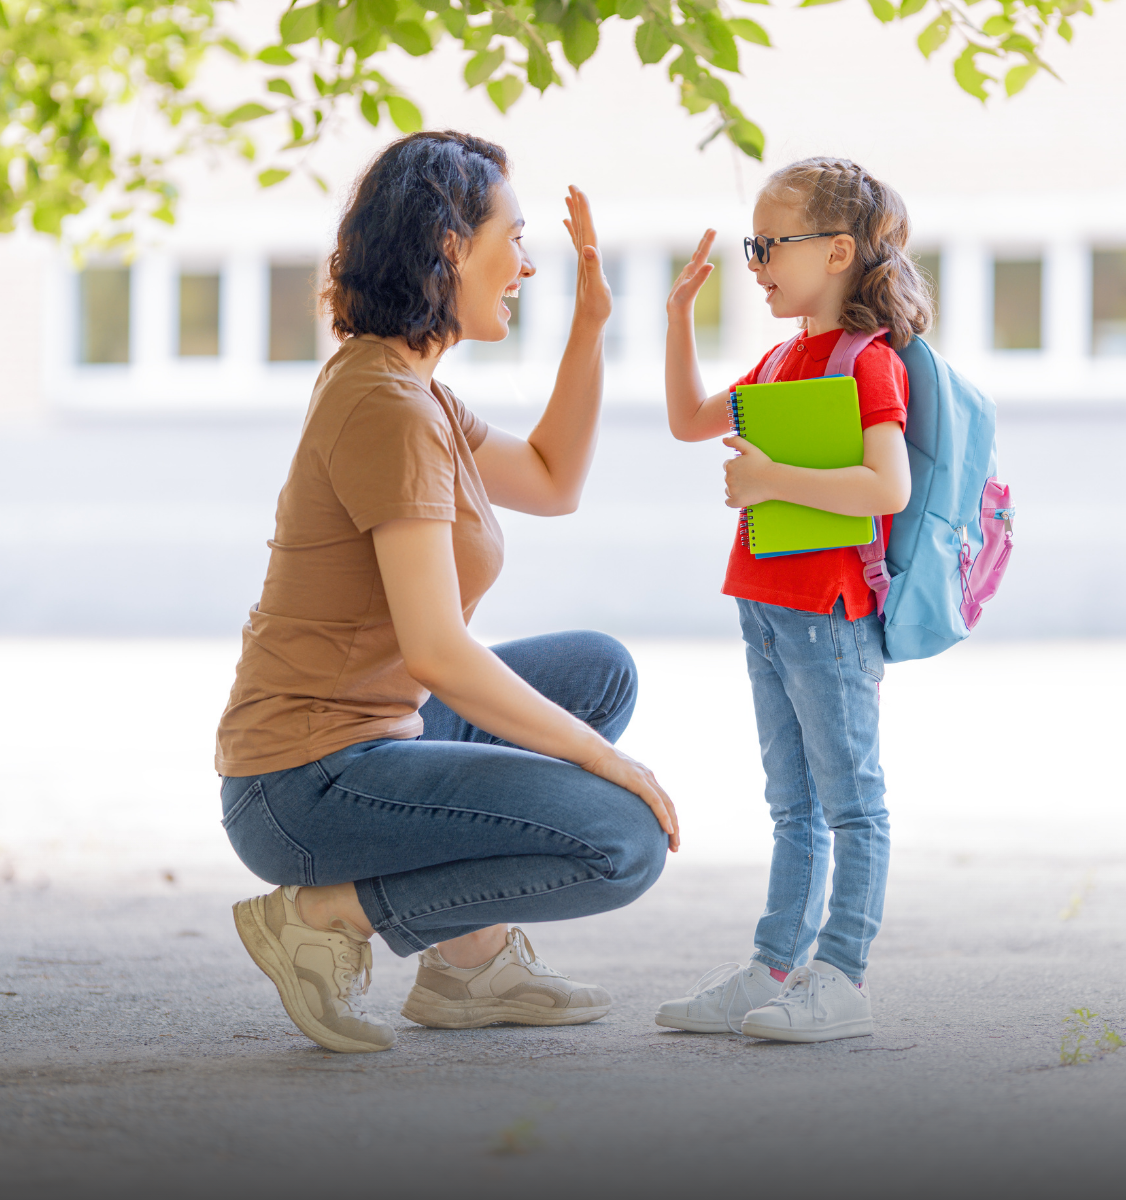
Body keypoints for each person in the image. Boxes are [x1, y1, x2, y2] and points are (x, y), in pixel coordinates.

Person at [215, 131, 678, 1055]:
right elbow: (436, 650)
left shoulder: (411, 388)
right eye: (513, 236)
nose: (528, 263)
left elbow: (552, 479)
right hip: (302, 785)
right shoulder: (388, 407)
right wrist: (606, 763)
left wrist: (591, 329)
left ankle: (469, 968)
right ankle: (329, 913)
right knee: (620, 842)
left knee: (599, 672)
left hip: (381, 738)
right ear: (450, 245)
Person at [655, 157, 931, 1042]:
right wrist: (675, 319)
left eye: (771, 244)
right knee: (791, 804)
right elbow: (689, 420)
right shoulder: (780, 358)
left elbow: (884, 488)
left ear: (840, 251)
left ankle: (840, 977)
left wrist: (773, 475)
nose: (757, 261)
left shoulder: (867, 362)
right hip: (767, 604)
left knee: (851, 800)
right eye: (755, 244)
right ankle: (776, 966)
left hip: (830, 611)